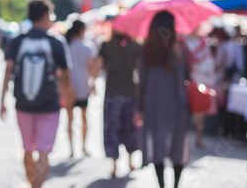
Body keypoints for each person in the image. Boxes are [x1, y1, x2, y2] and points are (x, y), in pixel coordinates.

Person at [0, 0, 72, 188]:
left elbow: (8, 70)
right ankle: (38, 185)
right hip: (50, 104)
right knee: (44, 152)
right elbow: (66, 74)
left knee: (27, 149)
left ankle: (32, 185)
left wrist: (1, 101)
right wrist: (65, 98)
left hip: (23, 103)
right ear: (46, 15)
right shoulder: (56, 42)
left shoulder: (17, 41)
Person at [135, 11, 191, 188]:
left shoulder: (146, 51)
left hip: (153, 107)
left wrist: (139, 109)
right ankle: (175, 185)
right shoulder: (180, 49)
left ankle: (162, 186)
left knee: (156, 148)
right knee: (178, 149)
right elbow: (188, 77)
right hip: (178, 106)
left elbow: (141, 82)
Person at [96, 30, 140, 177]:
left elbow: (99, 65)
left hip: (112, 92)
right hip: (130, 91)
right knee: (130, 128)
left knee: (112, 129)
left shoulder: (107, 45)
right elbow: (139, 68)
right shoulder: (134, 46)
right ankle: (130, 161)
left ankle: (114, 164)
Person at [65, 20, 97, 158]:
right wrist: (93, 83)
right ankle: (83, 147)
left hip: (69, 87)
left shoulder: (67, 45)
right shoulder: (87, 46)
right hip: (83, 86)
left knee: (70, 119)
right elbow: (91, 67)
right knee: (84, 118)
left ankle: (72, 149)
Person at [182, 30, 217, 148]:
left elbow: (208, 62)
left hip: (202, 79)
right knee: (188, 109)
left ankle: (198, 136)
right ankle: (186, 137)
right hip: (189, 80)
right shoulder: (183, 42)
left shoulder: (203, 42)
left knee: (200, 110)